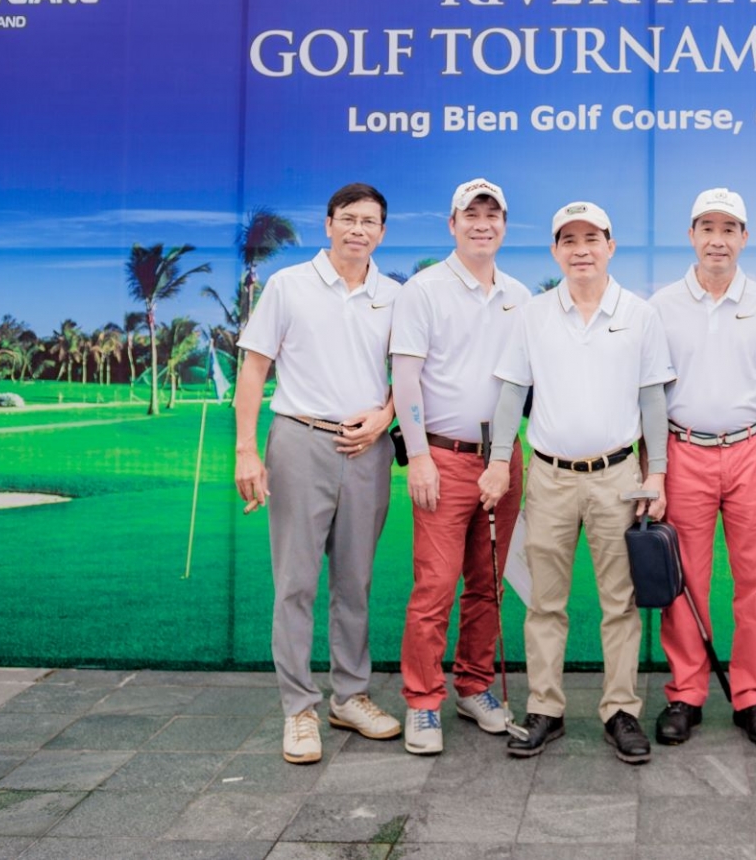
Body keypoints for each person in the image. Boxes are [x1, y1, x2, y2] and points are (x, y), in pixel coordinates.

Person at [477, 201, 675, 763]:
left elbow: (652, 399)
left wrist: (657, 472)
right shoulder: (533, 314)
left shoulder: (639, 314)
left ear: (611, 247)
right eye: (569, 240)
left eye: (592, 239)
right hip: (550, 477)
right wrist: (498, 460)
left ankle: (621, 711)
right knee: (545, 602)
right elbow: (512, 393)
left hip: (618, 476)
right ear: (555, 251)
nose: (581, 249)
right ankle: (546, 708)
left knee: (621, 602)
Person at [234, 183, 403, 764]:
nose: (359, 229)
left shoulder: (394, 296)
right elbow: (254, 369)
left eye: (370, 221)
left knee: (354, 583)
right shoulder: (288, 285)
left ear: (382, 232)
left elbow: (408, 377)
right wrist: (246, 450)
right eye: (348, 218)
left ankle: (349, 697)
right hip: (299, 441)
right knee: (296, 584)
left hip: (367, 450)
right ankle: (299, 709)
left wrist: (384, 416)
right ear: (328, 224)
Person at [648, 187, 756, 748]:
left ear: (744, 237)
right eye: (707, 228)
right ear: (691, 235)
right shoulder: (662, 306)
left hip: (752, 451)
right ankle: (686, 694)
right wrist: (653, 469)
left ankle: (751, 696)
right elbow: (650, 395)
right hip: (683, 450)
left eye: (729, 228)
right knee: (685, 581)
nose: (718, 239)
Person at [389, 178, 531, 755]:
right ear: (452, 224)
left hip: (503, 458)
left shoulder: (520, 296)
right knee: (435, 585)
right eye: (471, 214)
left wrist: (505, 459)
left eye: (492, 214)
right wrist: (419, 456)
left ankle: (474, 686)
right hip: (443, 457)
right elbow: (405, 379)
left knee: (487, 583)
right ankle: (423, 701)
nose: (481, 223)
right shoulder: (423, 290)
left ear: (504, 226)